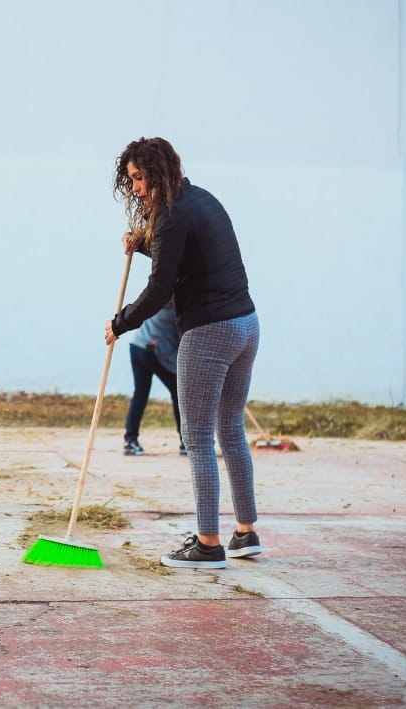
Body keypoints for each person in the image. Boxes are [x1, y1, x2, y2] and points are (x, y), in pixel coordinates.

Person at [104, 137, 261, 569]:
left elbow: (159, 288)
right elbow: (183, 256)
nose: (135, 188)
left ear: (156, 173)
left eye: (139, 178)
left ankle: (208, 544)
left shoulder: (171, 216)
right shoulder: (201, 200)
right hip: (246, 325)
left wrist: (120, 323)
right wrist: (141, 244)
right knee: (230, 430)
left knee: (196, 439)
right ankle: (246, 533)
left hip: (209, 332)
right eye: (131, 180)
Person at [123, 300, 184, 457]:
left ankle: (130, 440)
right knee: (179, 393)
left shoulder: (161, 297)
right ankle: (186, 441)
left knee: (140, 394)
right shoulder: (178, 303)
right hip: (152, 349)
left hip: (137, 345)